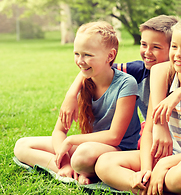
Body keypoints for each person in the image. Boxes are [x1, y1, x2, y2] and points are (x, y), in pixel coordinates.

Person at [95, 17, 181, 195]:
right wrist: (146, 169)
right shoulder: (165, 81)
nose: (178, 54)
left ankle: (154, 186)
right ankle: (145, 184)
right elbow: (148, 132)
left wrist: (164, 164)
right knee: (104, 163)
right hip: (171, 157)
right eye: (174, 46)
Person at [13, 21, 141, 185]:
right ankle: (68, 170)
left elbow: (114, 137)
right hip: (87, 147)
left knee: (82, 154)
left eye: (88, 55)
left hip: (117, 150)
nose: (80, 61)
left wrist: (71, 140)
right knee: (22, 145)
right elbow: (59, 132)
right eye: (77, 54)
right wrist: (65, 160)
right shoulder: (82, 84)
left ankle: (80, 169)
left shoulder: (126, 84)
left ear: (110, 56)